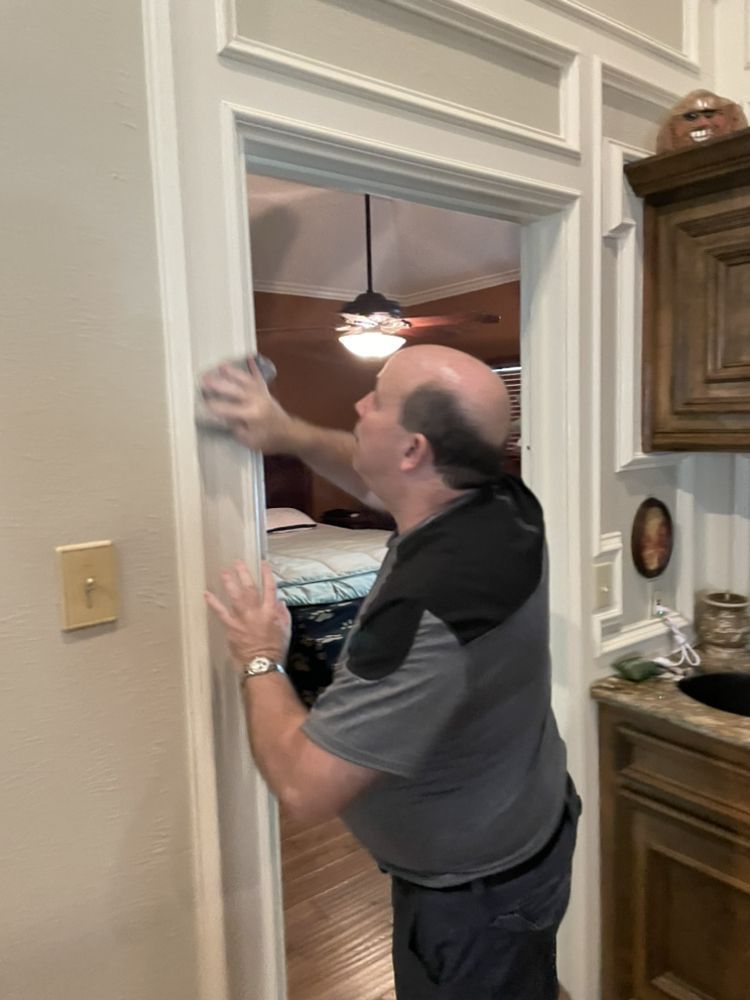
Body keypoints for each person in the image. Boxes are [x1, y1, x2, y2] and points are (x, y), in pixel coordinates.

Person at [203, 345, 580, 1000]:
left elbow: (304, 788)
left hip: (474, 900)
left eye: (374, 398)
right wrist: (282, 430)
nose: (357, 406)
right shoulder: (506, 502)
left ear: (412, 451)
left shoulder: (424, 613)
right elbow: (374, 470)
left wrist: (259, 653)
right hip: (533, 830)